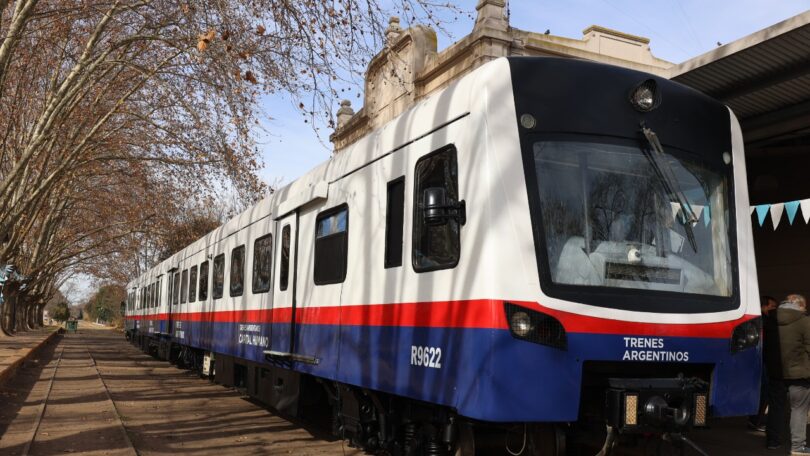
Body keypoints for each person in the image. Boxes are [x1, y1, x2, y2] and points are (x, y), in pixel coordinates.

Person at [776, 294, 810, 454]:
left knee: (785, 408)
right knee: (799, 409)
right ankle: (798, 446)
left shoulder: (774, 320)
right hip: (801, 374)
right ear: (801, 306)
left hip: (779, 372)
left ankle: (776, 440)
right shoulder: (804, 321)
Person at [759, 295, 787, 449]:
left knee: (775, 404)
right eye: (771, 306)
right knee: (797, 409)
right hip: (788, 372)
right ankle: (797, 442)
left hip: (773, 369)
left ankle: (772, 439)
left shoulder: (770, 324)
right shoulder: (771, 324)